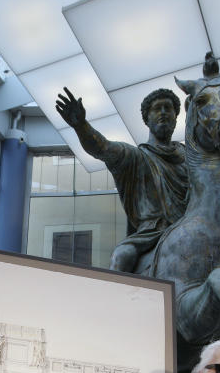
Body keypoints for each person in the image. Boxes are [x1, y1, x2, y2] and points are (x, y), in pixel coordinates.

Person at [56, 86, 188, 272]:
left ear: (176, 117)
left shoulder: (191, 158)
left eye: (169, 108)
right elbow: (102, 148)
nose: (164, 113)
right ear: (147, 119)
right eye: (157, 108)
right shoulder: (134, 157)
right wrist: (81, 126)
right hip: (150, 234)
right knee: (121, 256)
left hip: (190, 229)